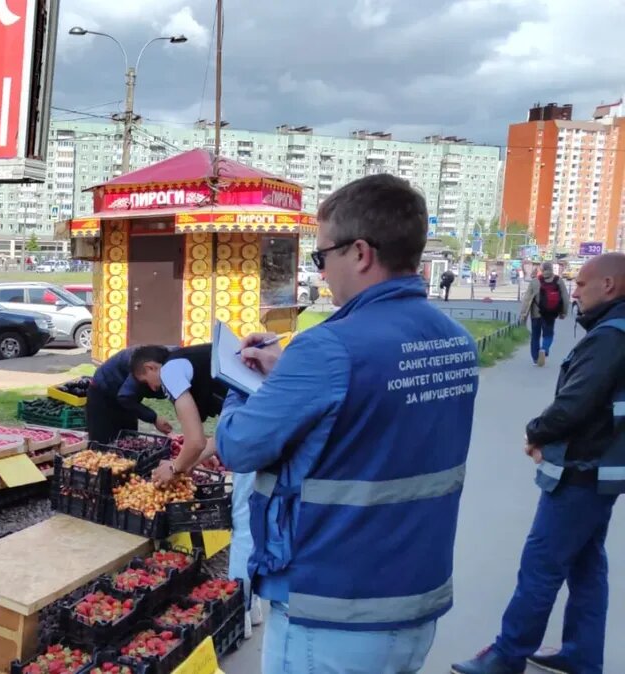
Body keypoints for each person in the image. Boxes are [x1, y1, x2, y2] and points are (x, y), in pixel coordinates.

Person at [210, 174, 479, 673]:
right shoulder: (453, 340)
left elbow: (239, 447)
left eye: (321, 257)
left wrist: (240, 386)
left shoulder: (328, 347)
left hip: (331, 608)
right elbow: (370, 412)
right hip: (414, 596)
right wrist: (286, 375)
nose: (320, 273)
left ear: (359, 253)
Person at [452, 253, 625, 674]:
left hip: (581, 470)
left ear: (609, 286)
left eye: (581, 284)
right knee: (586, 565)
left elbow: (573, 406)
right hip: (598, 469)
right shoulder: (613, 331)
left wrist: (535, 433)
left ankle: (506, 656)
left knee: (541, 566)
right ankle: (581, 654)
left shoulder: (610, 337)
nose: (574, 290)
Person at [131, 343, 226, 481]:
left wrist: (174, 468)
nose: (152, 388)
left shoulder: (169, 371)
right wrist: (192, 460)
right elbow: (229, 429)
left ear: (150, 367)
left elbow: (196, 441)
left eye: (146, 381)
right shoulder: (195, 361)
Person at [85, 345, 174, 444]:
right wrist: (154, 418)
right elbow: (125, 397)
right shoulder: (140, 369)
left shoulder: (175, 362)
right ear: (149, 368)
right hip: (104, 392)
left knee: (129, 441)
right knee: (102, 443)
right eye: (144, 382)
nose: (152, 388)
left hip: (127, 397)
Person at [519, 261, 569, 366]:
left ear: (541, 270)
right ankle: (544, 349)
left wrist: (523, 314)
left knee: (535, 336)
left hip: (536, 314)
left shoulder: (535, 281)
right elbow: (565, 297)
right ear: (551, 269)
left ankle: (535, 358)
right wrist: (563, 312)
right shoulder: (558, 281)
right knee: (548, 334)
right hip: (551, 313)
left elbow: (527, 299)